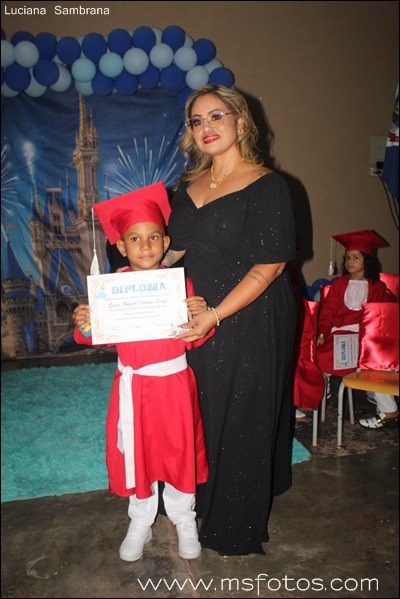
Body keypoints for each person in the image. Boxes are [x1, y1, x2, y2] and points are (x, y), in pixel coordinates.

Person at [163, 84, 297, 556]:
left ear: (240, 121)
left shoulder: (266, 184)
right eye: (197, 120)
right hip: (198, 312)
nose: (206, 127)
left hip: (252, 314)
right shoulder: (186, 188)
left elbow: (271, 266)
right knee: (202, 408)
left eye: (216, 116)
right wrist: (125, 284)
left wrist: (216, 314)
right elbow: (174, 252)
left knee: (242, 413)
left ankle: (234, 522)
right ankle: (197, 500)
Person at [72, 183, 214, 562]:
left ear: (166, 242)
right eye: (135, 239)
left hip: (174, 386)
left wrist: (200, 316)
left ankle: (184, 517)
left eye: (154, 237)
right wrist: (86, 323)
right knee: (139, 456)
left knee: (179, 452)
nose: (146, 246)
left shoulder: (179, 285)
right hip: (134, 389)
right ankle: (140, 520)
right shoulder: (111, 290)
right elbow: (97, 337)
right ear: (121, 246)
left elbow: (195, 339)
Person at [315, 229, 398, 429]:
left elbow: (383, 317)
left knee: (375, 360)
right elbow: (327, 312)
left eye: (355, 257)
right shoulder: (339, 285)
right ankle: (324, 386)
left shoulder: (378, 287)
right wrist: (322, 333)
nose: (349, 262)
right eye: (347, 258)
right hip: (340, 333)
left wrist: (370, 338)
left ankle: (386, 408)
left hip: (366, 336)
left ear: (366, 261)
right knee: (321, 355)